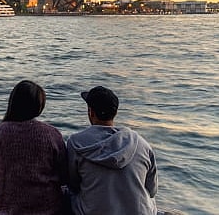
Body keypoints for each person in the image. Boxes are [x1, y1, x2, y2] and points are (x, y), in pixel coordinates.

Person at [67, 86, 158, 215]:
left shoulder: (76, 143)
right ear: (115, 113)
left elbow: (73, 185)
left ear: (91, 112)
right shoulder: (141, 144)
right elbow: (152, 190)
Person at [0, 80, 68, 215]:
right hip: (47, 208)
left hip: (5, 207)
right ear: (38, 106)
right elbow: (64, 176)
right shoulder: (52, 133)